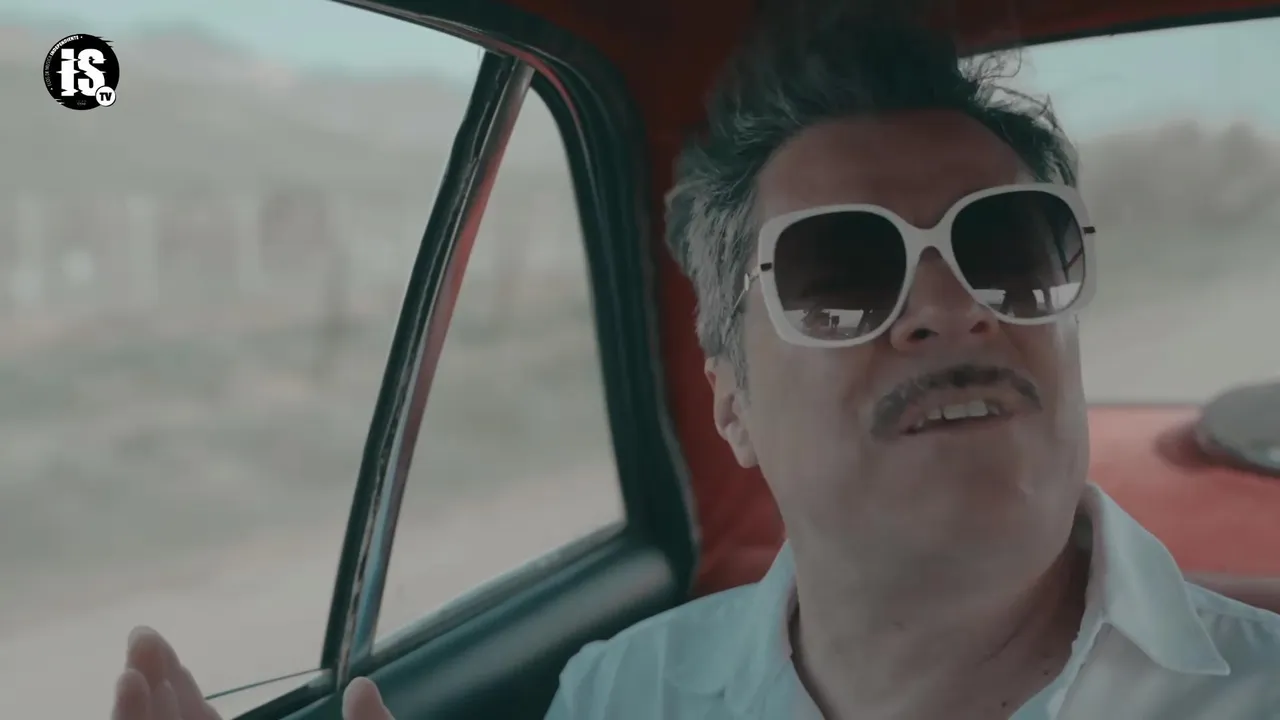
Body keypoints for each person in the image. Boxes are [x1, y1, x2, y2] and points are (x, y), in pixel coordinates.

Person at [110, 5, 1280, 720]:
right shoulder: (622, 696)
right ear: (732, 405)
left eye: (1007, 249)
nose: (947, 307)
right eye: (839, 272)